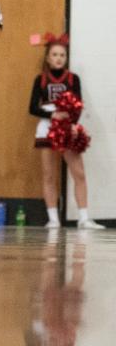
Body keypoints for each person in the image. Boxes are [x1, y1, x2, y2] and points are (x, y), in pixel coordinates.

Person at [29, 35, 103, 229]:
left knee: (78, 172)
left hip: (68, 127)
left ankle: (84, 218)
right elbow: (32, 108)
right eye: (54, 54)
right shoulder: (41, 79)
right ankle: (53, 219)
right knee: (49, 175)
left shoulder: (73, 78)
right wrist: (53, 115)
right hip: (46, 127)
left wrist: (72, 124)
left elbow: (78, 106)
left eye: (62, 54)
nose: (59, 58)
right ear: (47, 57)